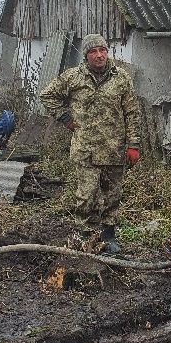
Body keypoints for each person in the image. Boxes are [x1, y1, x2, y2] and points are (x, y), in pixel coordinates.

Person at [39, 33, 140, 252]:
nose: (99, 55)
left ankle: (108, 236)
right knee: (86, 196)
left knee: (112, 196)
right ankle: (84, 235)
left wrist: (134, 145)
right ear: (86, 55)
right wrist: (66, 119)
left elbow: (132, 113)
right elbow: (47, 95)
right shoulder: (73, 77)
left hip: (114, 149)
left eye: (102, 50)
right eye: (93, 51)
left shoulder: (121, 78)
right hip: (86, 150)